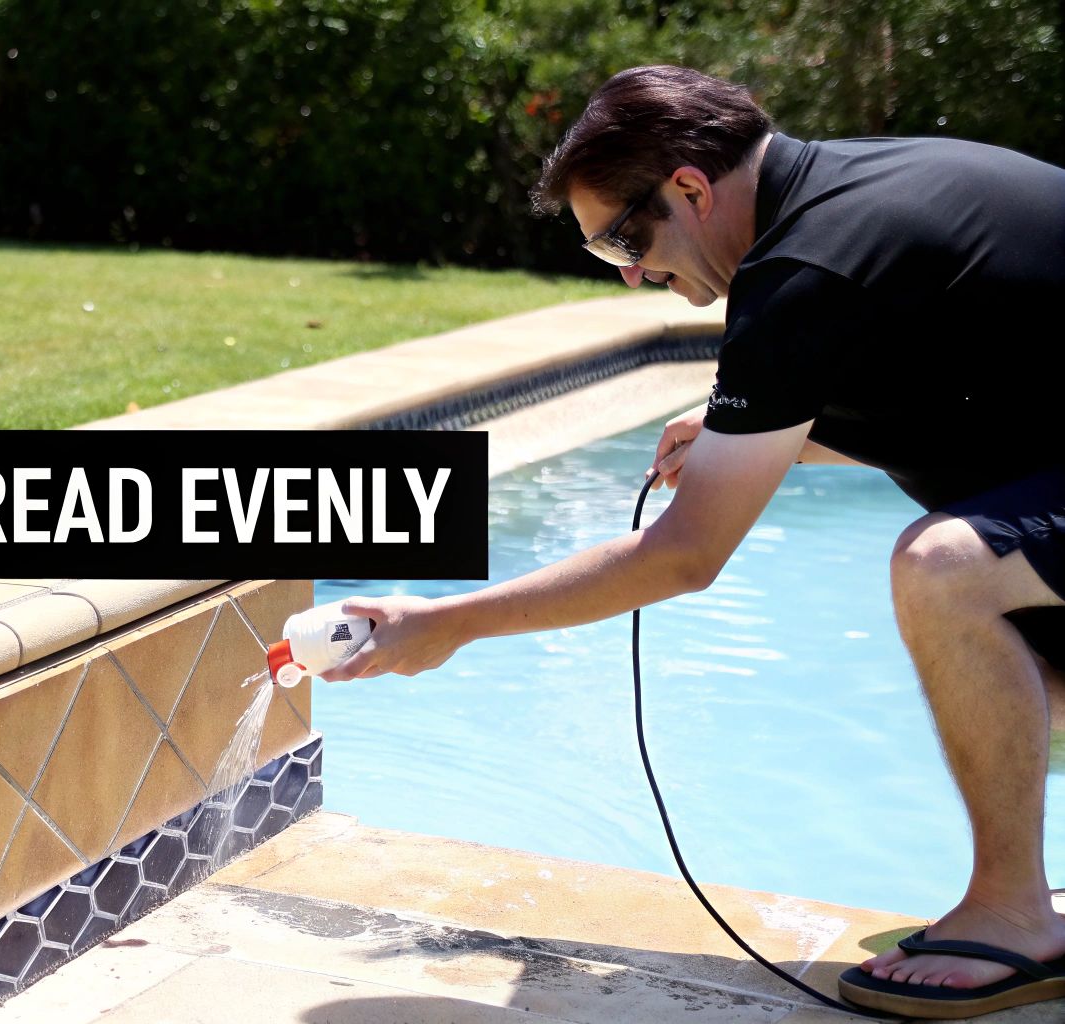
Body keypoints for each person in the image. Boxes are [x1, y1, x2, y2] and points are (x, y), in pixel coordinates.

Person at [320, 65, 1065, 1019]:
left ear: (689, 187)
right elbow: (964, 388)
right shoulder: (854, 191)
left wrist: (449, 621)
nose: (631, 271)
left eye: (624, 239)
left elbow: (683, 557)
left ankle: (1012, 913)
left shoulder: (804, 270)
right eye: (605, 254)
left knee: (949, 573)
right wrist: (770, 445)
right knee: (1011, 660)